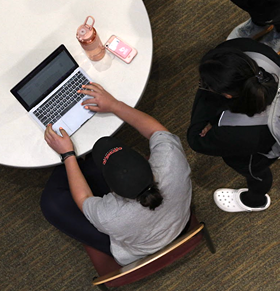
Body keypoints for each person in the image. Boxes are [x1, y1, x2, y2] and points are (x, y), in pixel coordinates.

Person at [40, 83, 192, 265]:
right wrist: (114, 104)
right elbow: (155, 131)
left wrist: (67, 154)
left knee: (51, 204)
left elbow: (84, 197)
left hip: (135, 249)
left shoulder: (109, 215)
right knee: (86, 168)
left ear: (111, 191)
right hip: (179, 220)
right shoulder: (171, 160)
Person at [187, 38, 280, 213]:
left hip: (264, 144)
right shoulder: (256, 52)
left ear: (227, 95)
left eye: (204, 84)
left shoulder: (235, 133)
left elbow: (196, 139)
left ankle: (255, 201)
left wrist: (210, 117)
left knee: (256, 172)